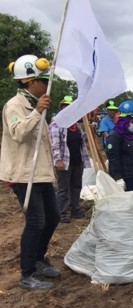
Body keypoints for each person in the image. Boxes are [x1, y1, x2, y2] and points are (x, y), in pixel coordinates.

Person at [0, 54, 61, 290]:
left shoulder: (38, 106)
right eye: (43, 80)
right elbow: (18, 133)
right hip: (24, 174)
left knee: (53, 217)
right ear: (29, 82)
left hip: (41, 173)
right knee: (36, 221)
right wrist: (36, 112)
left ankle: (38, 258)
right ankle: (27, 273)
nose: (46, 85)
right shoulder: (14, 106)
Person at [48, 95, 92, 223]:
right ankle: (61, 213)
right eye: (66, 107)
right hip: (64, 162)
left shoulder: (76, 126)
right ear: (62, 109)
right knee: (63, 188)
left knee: (76, 186)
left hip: (77, 161)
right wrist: (58, 160)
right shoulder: (57, 124)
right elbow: (54, 144)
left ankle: (75, 209)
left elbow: (83, 142)